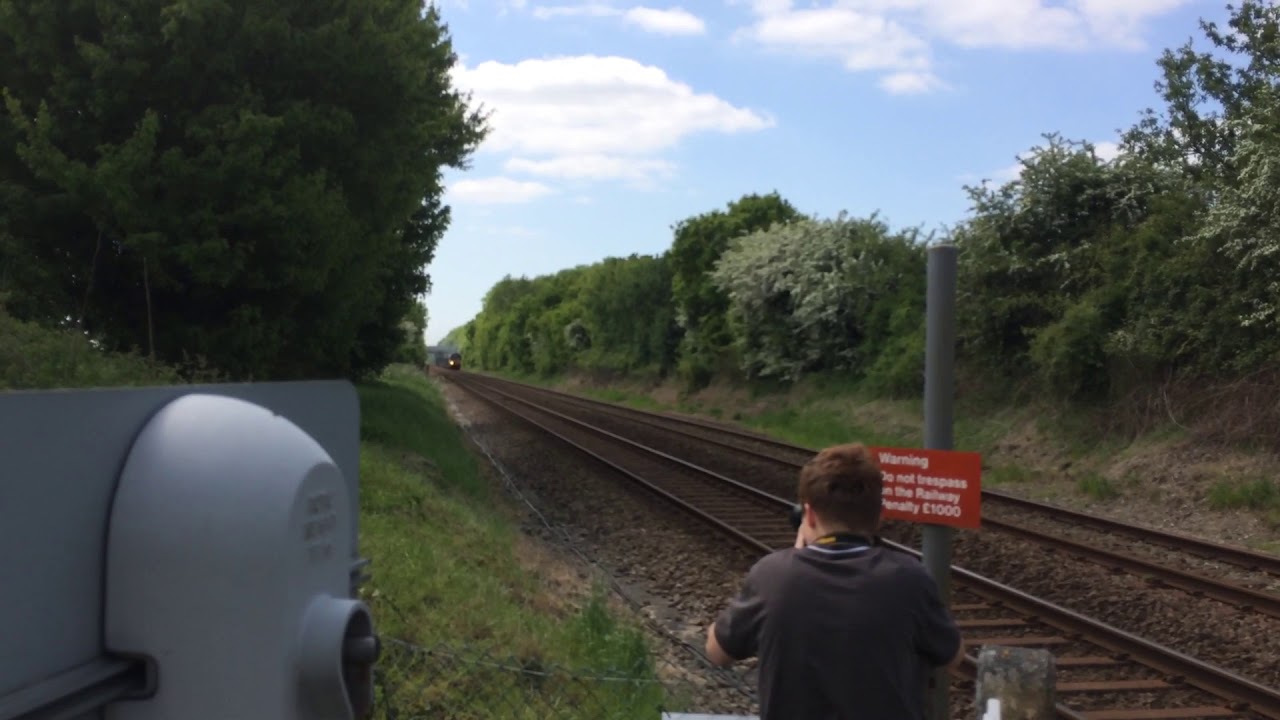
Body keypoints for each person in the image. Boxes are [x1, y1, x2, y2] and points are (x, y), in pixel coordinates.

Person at [704, 442, 964, 720]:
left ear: (809, 515)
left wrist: (796, 558)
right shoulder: (909, 577)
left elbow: (717, 651)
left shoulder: (771, 575)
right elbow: (953, 655)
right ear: (879, 517)